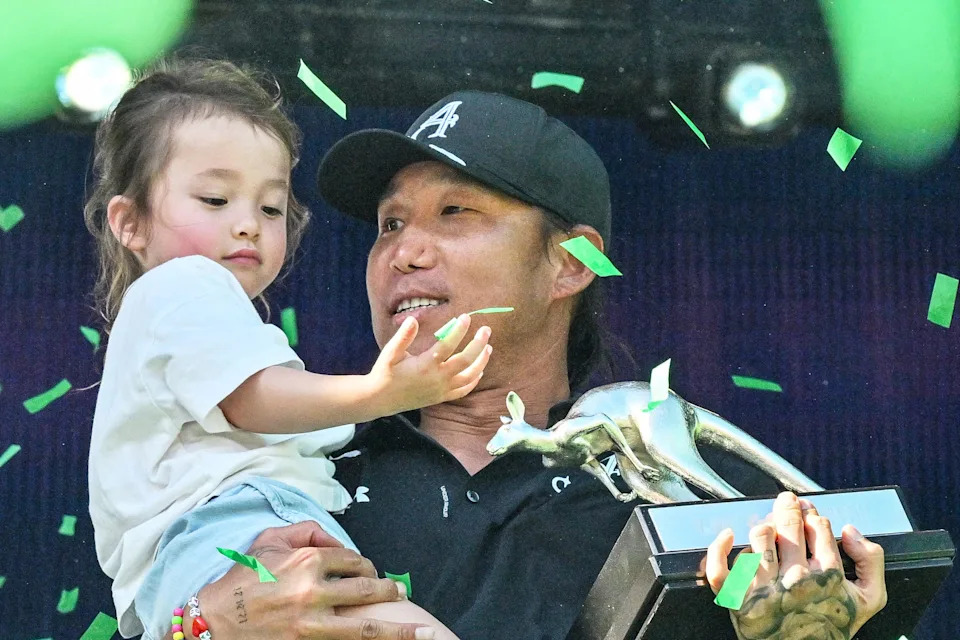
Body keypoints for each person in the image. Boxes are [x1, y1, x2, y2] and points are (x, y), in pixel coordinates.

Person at [153, 91, 888, 640]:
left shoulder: (687, 495)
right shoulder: (301, 477)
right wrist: (208, 622)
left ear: (570, 263)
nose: (403, 252)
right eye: (390, 223)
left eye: (456, 213)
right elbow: (179, 614)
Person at [84, 58, 492, 640]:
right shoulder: (182, 287)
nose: (248, 224)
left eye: (271, 207)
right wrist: (380, 392)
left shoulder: (185, 314)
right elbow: (250, 399)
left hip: (199, 561)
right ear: (130, 222)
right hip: (236, 527)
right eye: (215, 199)